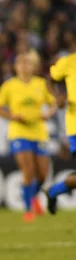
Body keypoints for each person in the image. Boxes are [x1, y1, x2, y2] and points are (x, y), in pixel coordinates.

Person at [0, 50, 57, 222]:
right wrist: (11, 116)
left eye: (27, 63)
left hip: (39, 132)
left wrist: (49, 113)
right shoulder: (9, 85)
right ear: (16, 67)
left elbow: (54, 103)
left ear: (33, 66)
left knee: (43, 175)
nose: (24, 66)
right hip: (19, 132)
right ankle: (28, 210)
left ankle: (34, 197)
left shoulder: (41, 84)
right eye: (21, 63)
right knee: (28, 171)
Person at [45, 49, 76, 214]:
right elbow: (50, 79)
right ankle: (54, 190)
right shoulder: (69, 61)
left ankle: (54, 190)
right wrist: (57, 97)